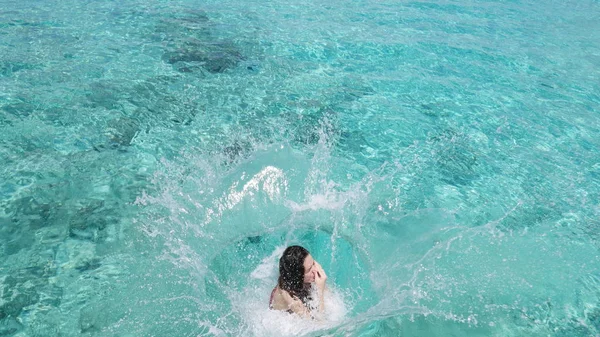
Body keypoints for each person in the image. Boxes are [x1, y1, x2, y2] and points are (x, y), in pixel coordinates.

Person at [269, 245, 327, 318]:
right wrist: (320, 291)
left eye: (313, 263)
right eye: (309, 270)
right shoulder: (289, 296)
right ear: (298, 277)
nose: (315, 270)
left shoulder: (309, 275)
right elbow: (318, 323)